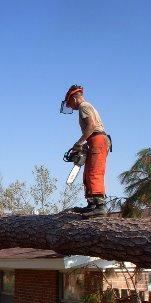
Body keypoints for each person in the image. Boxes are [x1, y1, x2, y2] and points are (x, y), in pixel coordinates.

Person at [61, 84, 111, 217]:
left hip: (98, 139)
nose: (70, 106)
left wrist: (79, 143)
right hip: (94, 140)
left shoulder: (84, 106)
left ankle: (100, 206)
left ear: (74, 99)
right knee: (88, 173)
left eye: (70, 103)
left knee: (95, 172)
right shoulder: (87, 107)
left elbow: (91, 126)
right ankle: (92, 204)